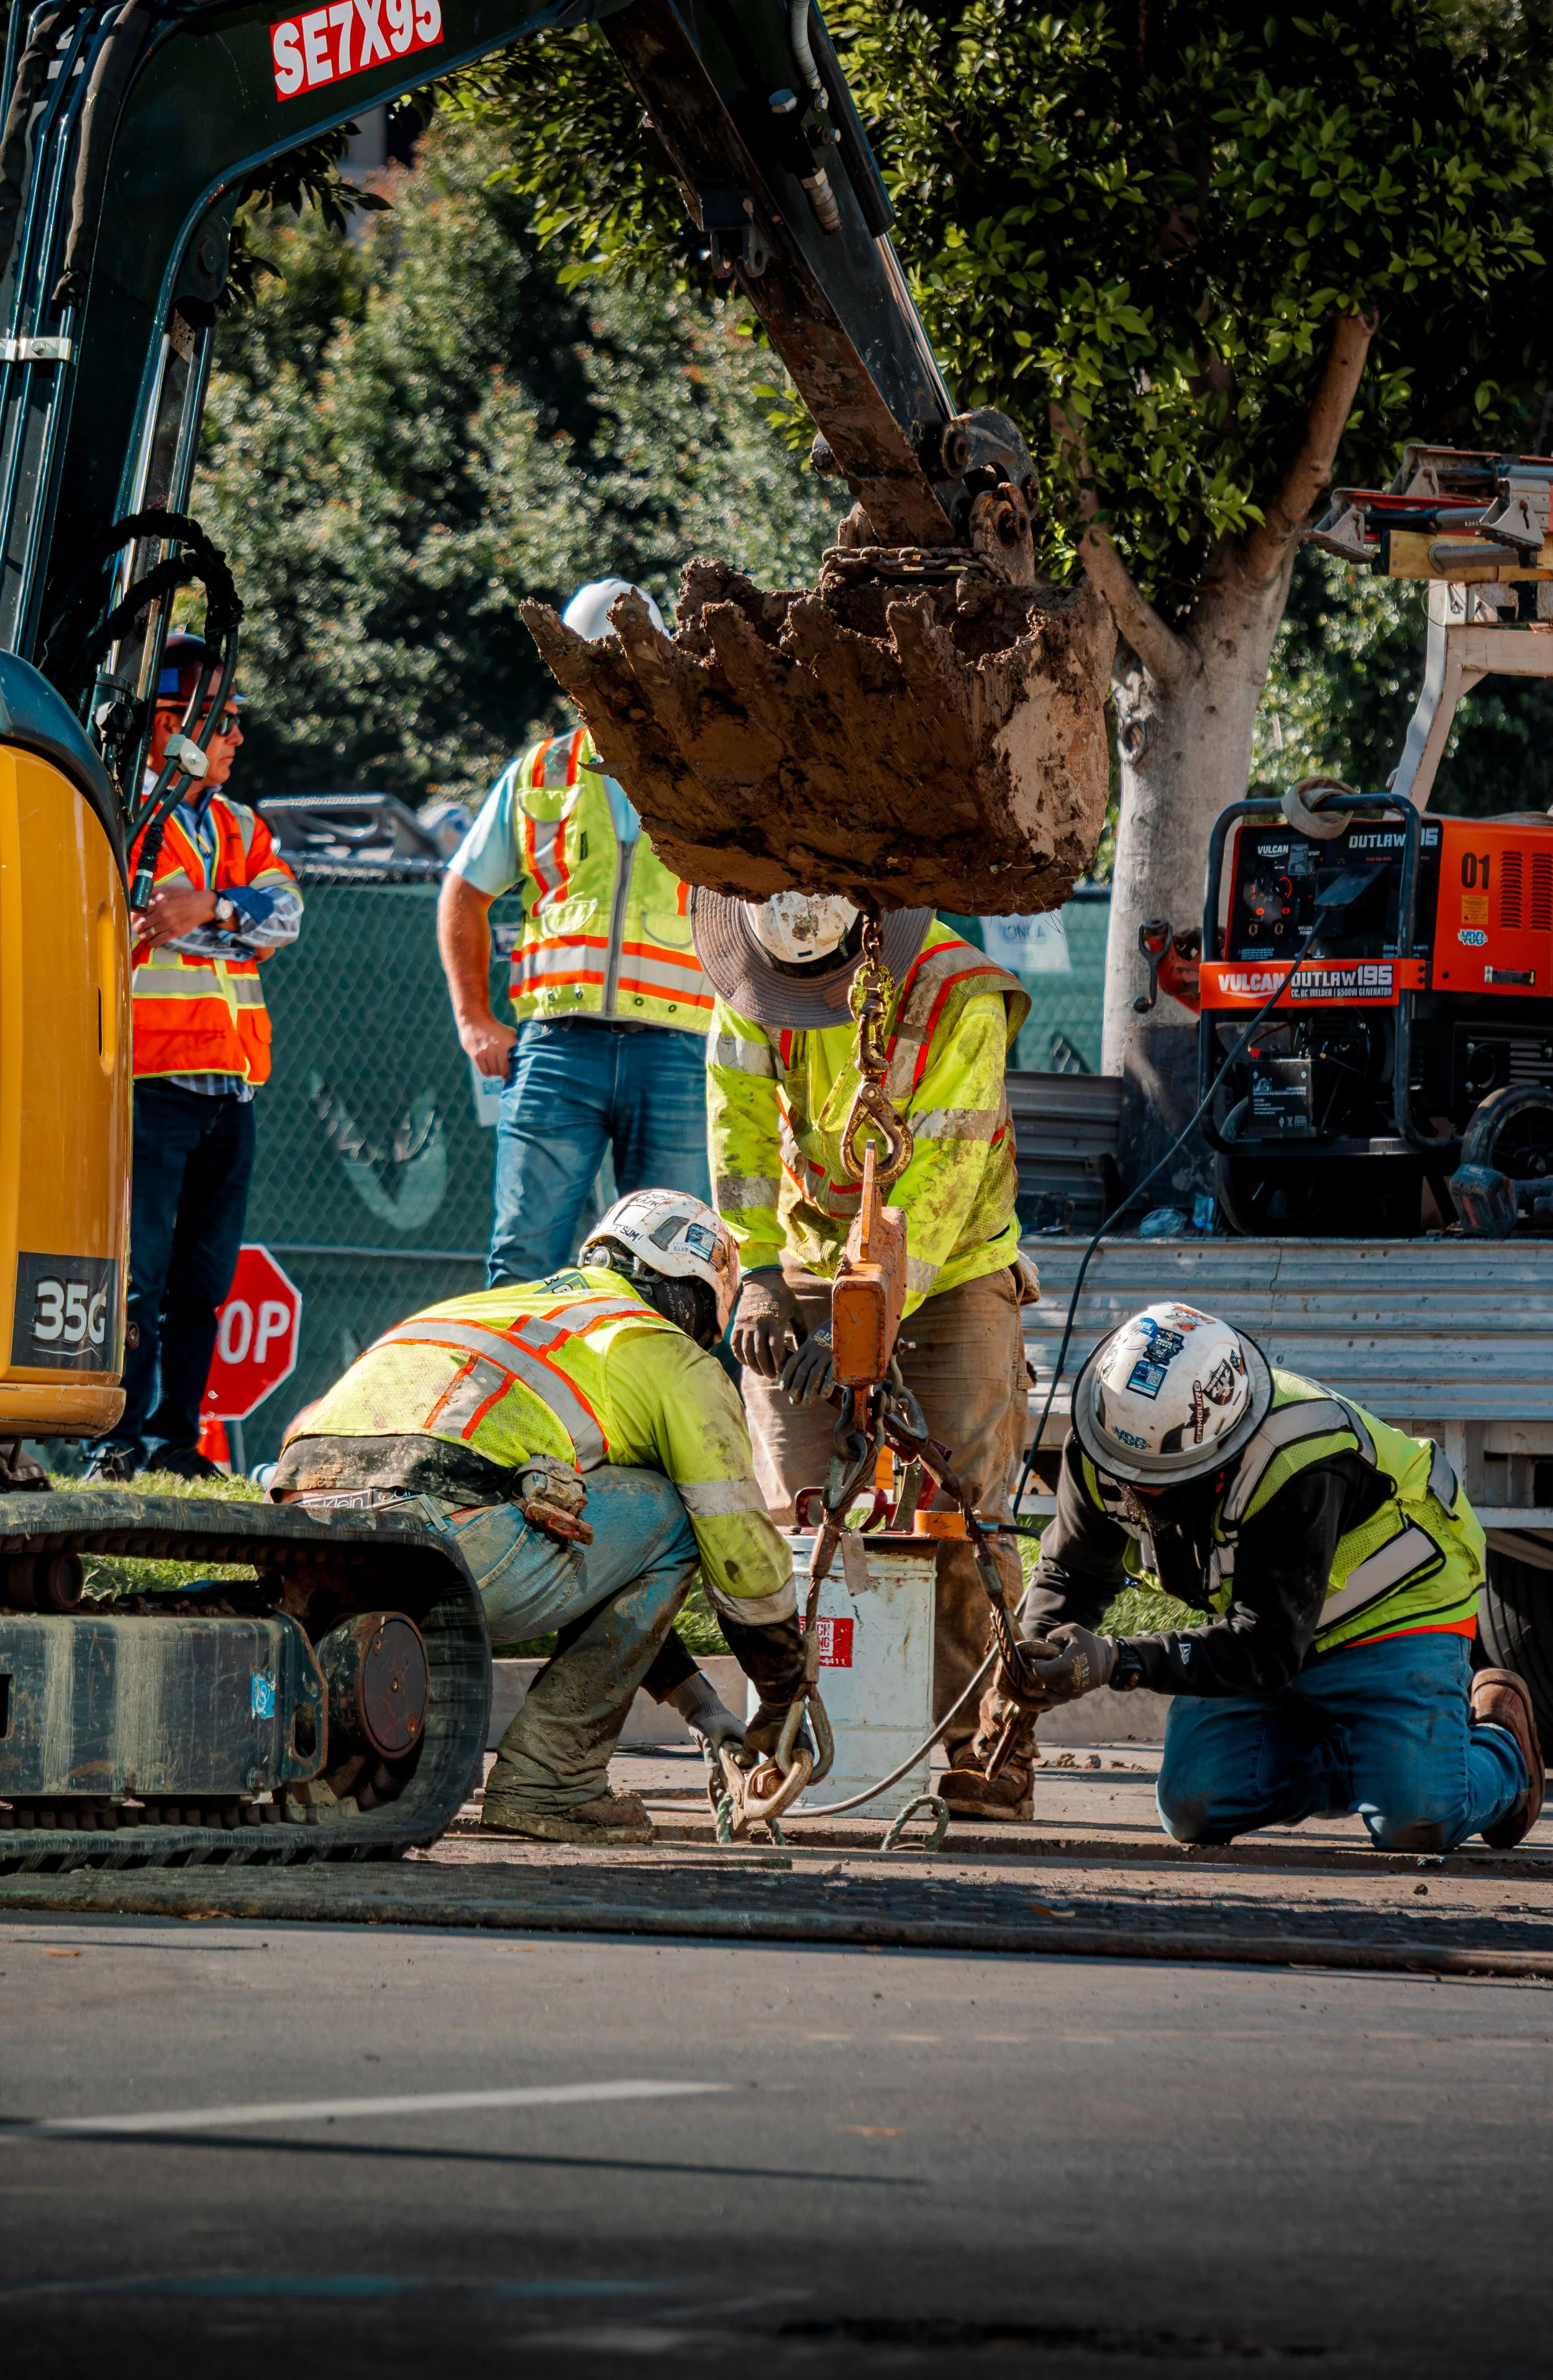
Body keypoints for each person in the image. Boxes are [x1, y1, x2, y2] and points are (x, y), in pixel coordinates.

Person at [268, 1188, 806, 1845]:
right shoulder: (665, 1351)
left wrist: (702, 1707)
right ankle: (552, 1779)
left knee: (570, 1501)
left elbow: (606, 1563)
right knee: (672, 1510)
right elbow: (735, 1547)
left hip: (308, 1535)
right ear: (691, 1298)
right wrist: (782, 1688)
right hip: (441, 1536)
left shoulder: (498, 1308)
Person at [695, 887, 1039, 1821]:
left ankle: (984, 1749)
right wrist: (760, 1272)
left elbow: (938, 1186)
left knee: (961, 1512)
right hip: (808, 1255)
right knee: (785, 1514)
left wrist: (867, 1327)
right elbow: (740, 1132)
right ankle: (783, 1735)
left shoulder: (961, 994)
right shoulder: (754, 975)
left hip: (951, 1267)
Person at [984, 1302, 1544, 1853]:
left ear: (1218, 1453)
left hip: (1393, 1611)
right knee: (1194, 1807)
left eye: (1158, 1477)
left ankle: (1500, 1748)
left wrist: (1119, 1659)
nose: (1131, 1487)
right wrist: (1033, 1665)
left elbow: (1266, 1649)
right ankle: (1380, 1760)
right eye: (1121, 1468)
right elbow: (1073, 1571)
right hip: (1269, 1625)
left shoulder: (1299, 1458)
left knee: (1416, 1824)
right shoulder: (1108, 1429)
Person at [437, 579, 714, 1286]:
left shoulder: (706, 772)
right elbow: (462, 893)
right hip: (558, 1047)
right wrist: (474, 1020)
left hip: (679, 1049)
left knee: (675, 1271)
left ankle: (649, 1400)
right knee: (523, 1258)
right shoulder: (541, 771)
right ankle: (527, 1399)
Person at [86, 634, 302, 1482]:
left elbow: (284, 915)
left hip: (230, 1090)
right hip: (151, 1083)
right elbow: (142, 919)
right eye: (226, 722)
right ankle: (116, 1443)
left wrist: (207, 906)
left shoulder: (239, 826)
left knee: (203, 1283)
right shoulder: (120, 816)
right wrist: (229, 922)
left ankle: (179, 1445)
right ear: (174, 725)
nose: (238, 740)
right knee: (138, 1280)